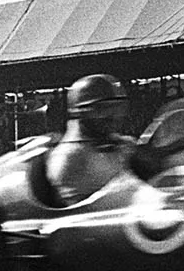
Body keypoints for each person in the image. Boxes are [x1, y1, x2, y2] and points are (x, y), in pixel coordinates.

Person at [44, 74, 153, 206]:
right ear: (80, 111)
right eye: (103, 109)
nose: (113, 115)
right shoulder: (69, 157)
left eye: (117, 107)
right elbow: (82, 216)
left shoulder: (123, 144)